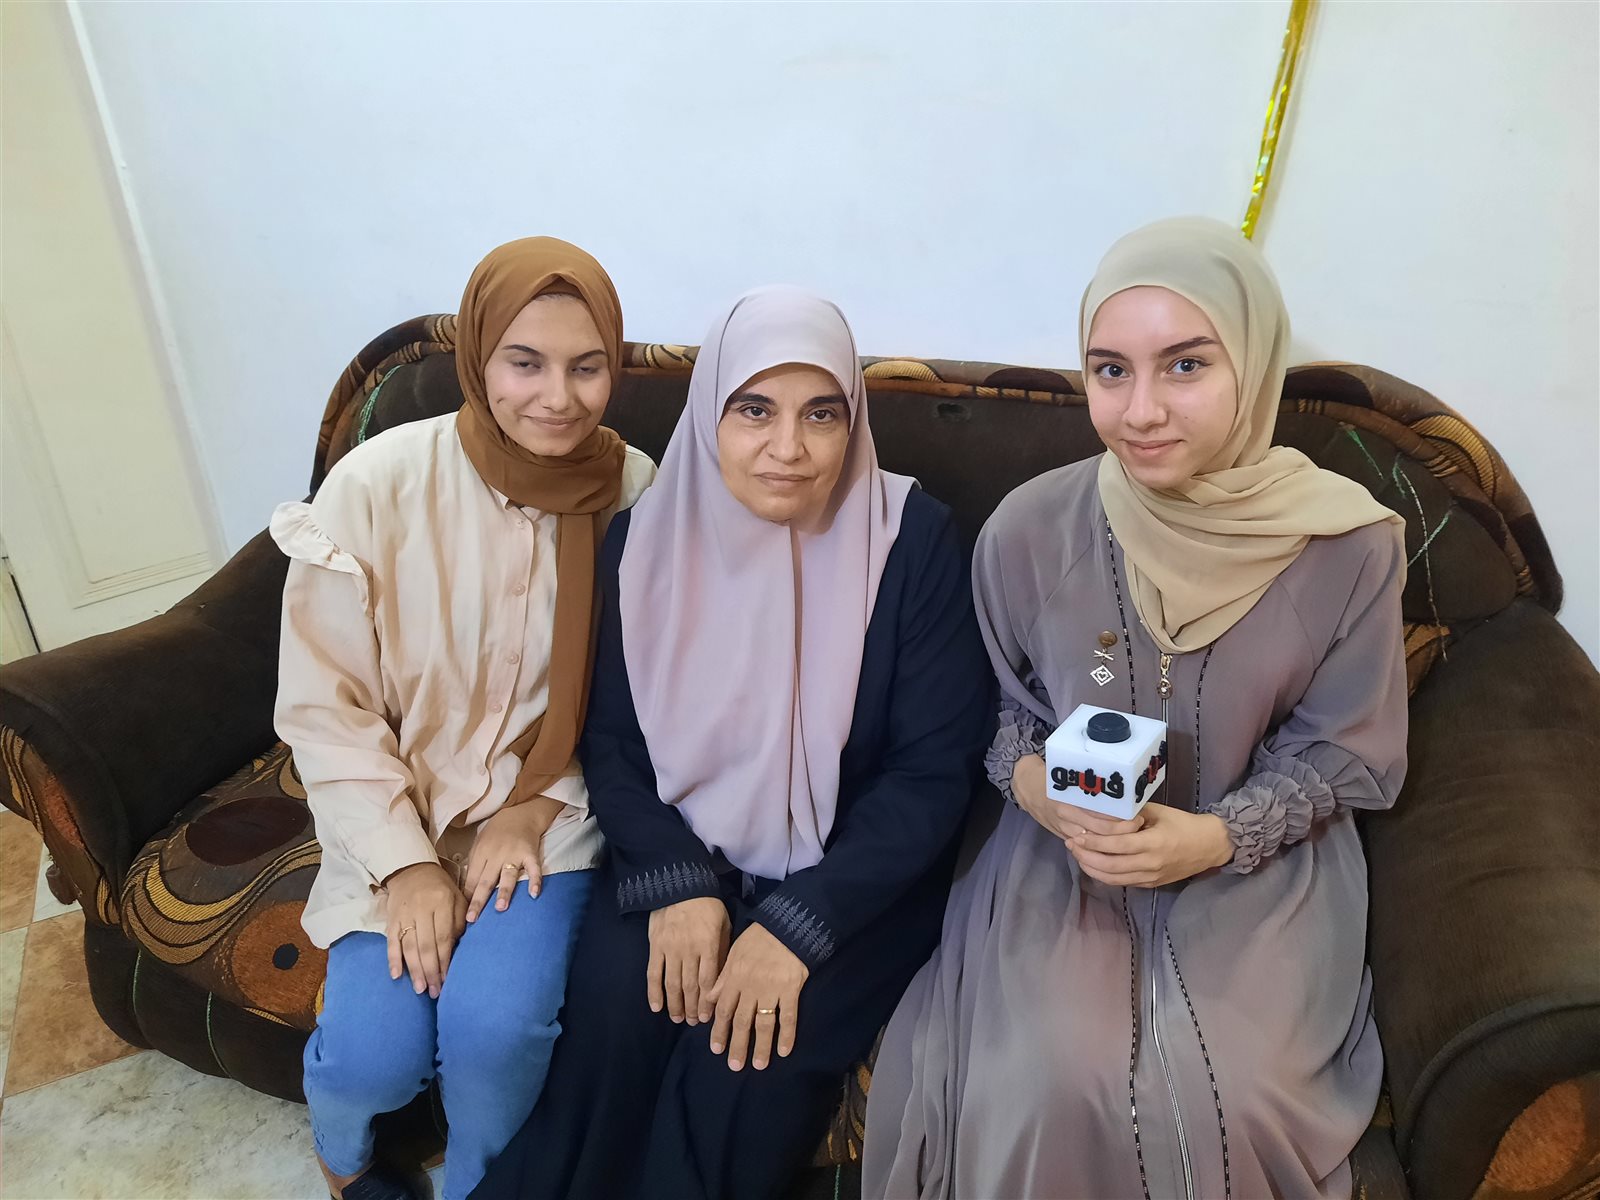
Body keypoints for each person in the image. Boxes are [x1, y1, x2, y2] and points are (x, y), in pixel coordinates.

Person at [863, 217, 1409, 1199]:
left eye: (1186, 365)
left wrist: (1213, 839)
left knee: (1236, 1093)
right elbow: (998, 712)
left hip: (1260, 869)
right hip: (1062, 856)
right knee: (1046, 1077)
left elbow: (1343, 749)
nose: (1141, 411)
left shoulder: (1350, 546)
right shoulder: (1030, 528)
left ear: (1252, 364)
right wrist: (1037, 789)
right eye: (1109, 371)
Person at [475, 285, 991, 1200]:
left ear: (853, 420)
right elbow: (613, 742)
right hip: (680, 850)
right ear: (710, 409)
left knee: (741, 1068)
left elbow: (932, 772)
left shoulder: (909, 539)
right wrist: (675, 883)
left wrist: (799, 926)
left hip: (855, 883)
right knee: (611, 1031)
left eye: (821, 414)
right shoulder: (644, 541)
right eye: (754, 410)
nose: (788, 447)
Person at [273, 237, 655, 1200]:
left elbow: (643, 695)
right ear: (479, 357)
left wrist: (534, 807)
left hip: (548, 816)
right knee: (372, 1058)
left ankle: (482, 1185)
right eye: (525, 363)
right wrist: (405, 865)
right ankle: (344, 1157)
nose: (558, 398)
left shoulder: (634, 491)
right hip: (393, 809)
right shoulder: (377, 485)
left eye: (587, 366)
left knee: (495, 1032)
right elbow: (325, 707)